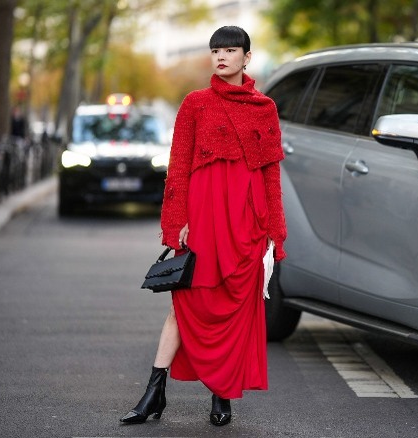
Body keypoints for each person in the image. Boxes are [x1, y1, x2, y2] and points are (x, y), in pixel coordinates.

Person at [120, 25, 287, 427]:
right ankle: (154, 392)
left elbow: (270, 176)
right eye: (216, 51)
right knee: (185, 302)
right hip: (204, 221)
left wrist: (275, 233)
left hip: (247, 224)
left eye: (230, 50)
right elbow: (177, 167)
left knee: (234, 308)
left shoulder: (265, 108)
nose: (221, 57)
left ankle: (222, 395)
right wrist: (175, 221)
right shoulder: (195, 104)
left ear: (247, 57)